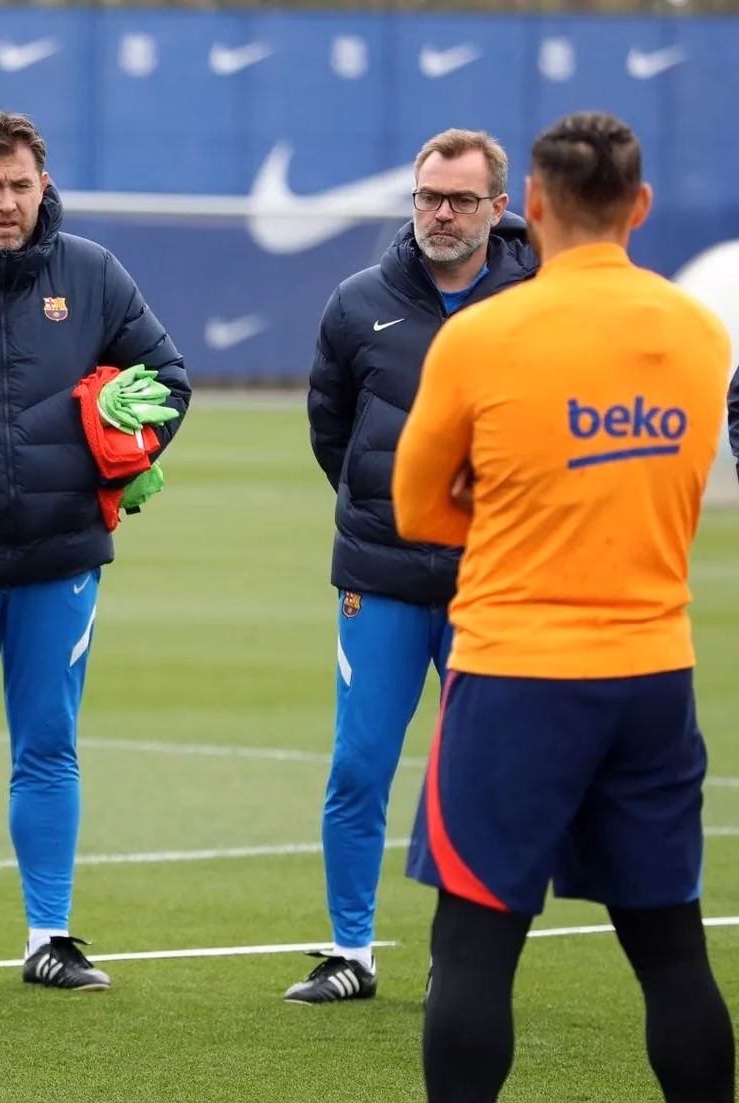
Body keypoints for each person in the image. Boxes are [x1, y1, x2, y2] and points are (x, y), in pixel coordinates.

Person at [394, 110, 734, 1103]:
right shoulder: (698, 332)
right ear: (642, 207)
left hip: (516, 674)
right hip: (651, 673)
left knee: (475, 945)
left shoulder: (483, 336)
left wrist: (506, 509)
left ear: (530, 207)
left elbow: (417, 509)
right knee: (671, 948)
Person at [0, 111, 188, 988]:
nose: (8, 202)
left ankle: (49, 937)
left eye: (21, 185)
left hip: (61, 558)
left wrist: (122, 452)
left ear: (42, 185)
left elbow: (168, 380)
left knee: (49, 746)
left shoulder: (91, 273)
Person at [292, 128, 537, 1005]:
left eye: (461, 200)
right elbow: (331, 428)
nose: (442, 214)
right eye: (429, 197)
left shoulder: (537, 303)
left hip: (493, 580)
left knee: (478, 775)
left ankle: (459, 960)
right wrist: (388, 507)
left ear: (497, 208)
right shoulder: (359, 301)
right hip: (382, 576)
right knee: (358, 767)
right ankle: (349, 953)